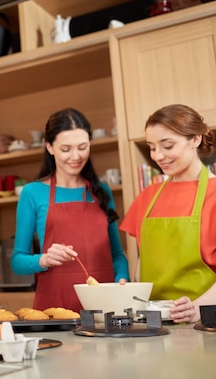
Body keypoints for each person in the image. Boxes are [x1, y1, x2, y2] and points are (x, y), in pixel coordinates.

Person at [11, 108, 129, 312]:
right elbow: (17, 261)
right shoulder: (33, 193)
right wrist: (44, 259)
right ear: (49, 147)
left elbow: (117, 255)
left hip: (104, 307)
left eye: (82, 147)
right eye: (66, 149)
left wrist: (122, 281)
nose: (76, 156)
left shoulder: (102, 192)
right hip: (55, 308)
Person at [120, 104, 216, 323]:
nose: (158, 156)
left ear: (195, 139)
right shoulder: (147, 198)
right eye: (151, 147)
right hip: (153, 324)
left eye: (167, 146)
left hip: (207, 322)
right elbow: (141, 270)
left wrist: (196, 308)